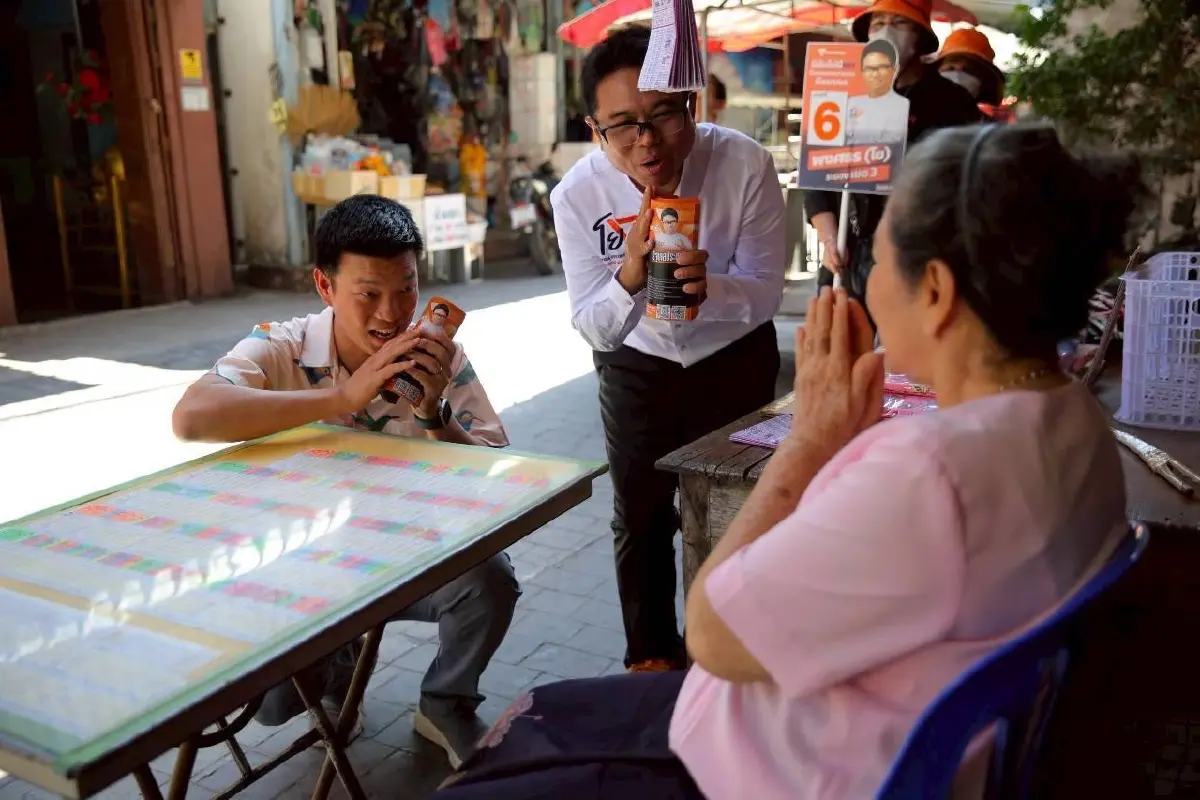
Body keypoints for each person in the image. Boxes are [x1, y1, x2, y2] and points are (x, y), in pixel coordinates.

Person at [430, 122, 1143, 799]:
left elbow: (711, 634)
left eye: (879, 258)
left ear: (936, 293)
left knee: (509, 751)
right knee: (556, 705)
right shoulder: (1077, 418)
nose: (863, 279)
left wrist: (811, 442)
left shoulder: (932, 472)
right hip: (865, 739)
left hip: (768, 770)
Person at [170, 194, 519, 769]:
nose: (392, 313)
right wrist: (340, 397)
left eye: (406, 288)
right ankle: (339, 668)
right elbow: (190, 416)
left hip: (409, 552)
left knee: (490, 579)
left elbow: (498, 478)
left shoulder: (440, 358)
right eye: (368, 294)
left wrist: (436, 416)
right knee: (273, 704)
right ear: (325, 287)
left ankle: (445, 701)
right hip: (305, 561)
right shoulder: (282, 344)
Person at [550, 25, 785, 673]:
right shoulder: (577, 195)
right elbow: (593, 327)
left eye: (661, 115)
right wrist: (630, 274)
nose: (645, 140)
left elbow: (766, 294)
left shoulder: (744, 164)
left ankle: (723, 656)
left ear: (692, 103)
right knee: (642, 516)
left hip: (733, 357)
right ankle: (649, 660)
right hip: (637, 362)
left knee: (731, 510)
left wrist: (710, 287)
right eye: (622, 124)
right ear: (594, 127)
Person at [806, 0, 983, 311]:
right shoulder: (843, 90)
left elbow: (959, 185)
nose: (885, 30)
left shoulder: (952, 102)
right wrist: (830, 238)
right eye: (878, 23)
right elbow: (817, 173)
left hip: (916, 258)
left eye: (898, 22)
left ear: (920, 35)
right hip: (847, 256)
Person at [847, 39, 910, 145]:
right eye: (869, 68)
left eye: (882, 67)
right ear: (862, 71)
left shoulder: (902, 105)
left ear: (895, 69)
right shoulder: (852, 103)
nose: (875, 74)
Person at [930, 27, 1006, 107]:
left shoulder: (989, 118)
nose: (958, 69)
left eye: (969, 70)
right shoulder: (918, 110)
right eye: (952, 65)